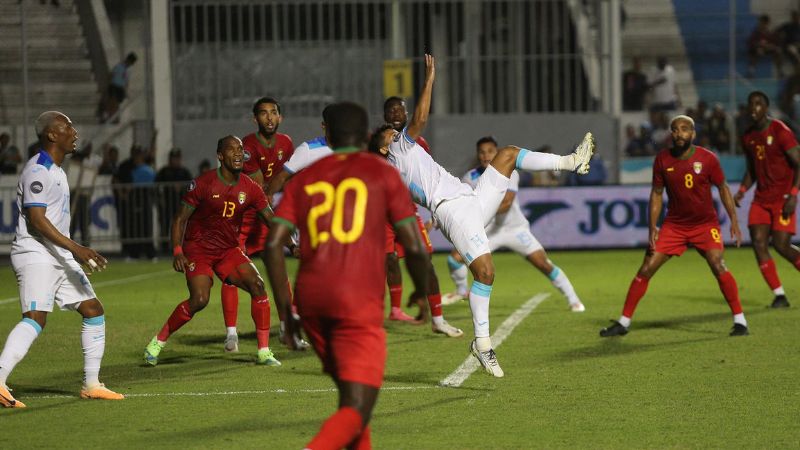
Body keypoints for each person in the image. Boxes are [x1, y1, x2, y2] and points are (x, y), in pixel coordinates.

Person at [369, 54, 595, 377]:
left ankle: (571, 161)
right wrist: (430, 79)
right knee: (486, 273)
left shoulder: (398, 155)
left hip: (471, 197)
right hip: (451, 209)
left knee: (508, 154)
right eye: (387, 135)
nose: (394, 132)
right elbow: (418, 119)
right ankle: (483, 343)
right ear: (382, 148)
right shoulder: (398, 150)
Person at [263, 101, 430, 450]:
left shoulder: (305, 178)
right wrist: (422, 292)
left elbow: (273, 245)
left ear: (329, 134)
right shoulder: (382, 172)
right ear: (367, 134)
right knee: (357, 406)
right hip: (355, 301)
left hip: (312, 302)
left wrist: (286, 312)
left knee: (351, 402)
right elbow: (413, 246)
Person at [0, 111, 124, 408]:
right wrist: (77, 249)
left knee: (93, 310)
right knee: (35, 318)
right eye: (67, 127)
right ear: (51, 135)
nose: (75, 132)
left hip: (57, 254)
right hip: (36, 253)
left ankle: (92, 384)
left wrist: (71, 251)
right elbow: (37, 219)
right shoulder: (38, 169)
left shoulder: (57, 169)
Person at [600, 115, 748, 338]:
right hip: (674, 226)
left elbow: (723, 188)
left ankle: (740, 321)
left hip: (704, 225)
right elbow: (657, 194)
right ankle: (623, 322)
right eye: (675, 130)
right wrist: (653, 227)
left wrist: (734, 220)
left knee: (717, 264)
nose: (680, 134)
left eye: (685, 129)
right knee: (647, 267)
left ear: (693, 133)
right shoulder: (662, 159)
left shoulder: (708, 159)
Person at [143, 135, 283, 367]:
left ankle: (264, 351)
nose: (238, 153)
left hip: (228, 250)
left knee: (257, 285)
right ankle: (158, 341)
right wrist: (178, 251)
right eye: (232, 149)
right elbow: (179, 219)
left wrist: (294, 243)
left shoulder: (250, 188)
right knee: (199, 299)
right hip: (198, 250)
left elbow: (271, 219)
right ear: (219, 156)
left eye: (240, 149)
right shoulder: (203, 184)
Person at [444, 136, 586, 313]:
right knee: (454, 259)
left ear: (497, 152)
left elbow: (505, 205)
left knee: (543, 264)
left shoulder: (508, 172)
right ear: (477, 155)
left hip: (514, 229)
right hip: (489, 231)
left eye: (490, 151)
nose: (486, 155)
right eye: (481, 152)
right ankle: (462, 291)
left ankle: (574, 300)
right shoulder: (470, 177)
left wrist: (473, 215)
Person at [220, 97, 295, 353]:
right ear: (255, 119)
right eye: (263, 113)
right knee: (231, 274)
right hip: (245, 215)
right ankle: (231, 334)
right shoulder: (247, 146)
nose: (269, 117)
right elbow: (258, 185)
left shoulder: (286, 143)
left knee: (278, 272)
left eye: (274, 112)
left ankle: (286, 326)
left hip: (267, 212)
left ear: (280, 117)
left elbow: (288, 178)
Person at [734, 91, 800, 308]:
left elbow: (799, 162)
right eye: (750, 104)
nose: (754, 108)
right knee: (759, 243)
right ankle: (779, 295)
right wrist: (743, 189)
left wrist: (793, 195)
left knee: (781, 245)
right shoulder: (748, 136)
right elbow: (752, 169)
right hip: (761, 199)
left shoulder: (780, 130)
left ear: (766, 107)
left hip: (782, 198)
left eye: (758, 104)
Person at [155, 148, 193, 253]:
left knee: (181, 226)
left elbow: (192, 187)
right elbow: (156, 186)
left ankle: (180, 247)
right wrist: (160, 198)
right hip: (167, 204)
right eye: (173, 158)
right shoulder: (164, 172)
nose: (175, 160)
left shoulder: (184, 172)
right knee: (165, 226)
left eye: (177, 158)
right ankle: (164, 249)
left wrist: (182, 188)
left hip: (180, 204)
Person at [101, 52, 137, 123]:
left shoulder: (127, 70)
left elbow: (126, 82)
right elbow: (111, 75)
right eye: (130, 63)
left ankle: (114, 118)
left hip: (120, 88)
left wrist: (126, 91)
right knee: (112, 103)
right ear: (128, 60)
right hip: (114, 86)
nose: (130, 65)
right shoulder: (119, 66)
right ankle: (109, 117)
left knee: (117, 104)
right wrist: (108, 85)